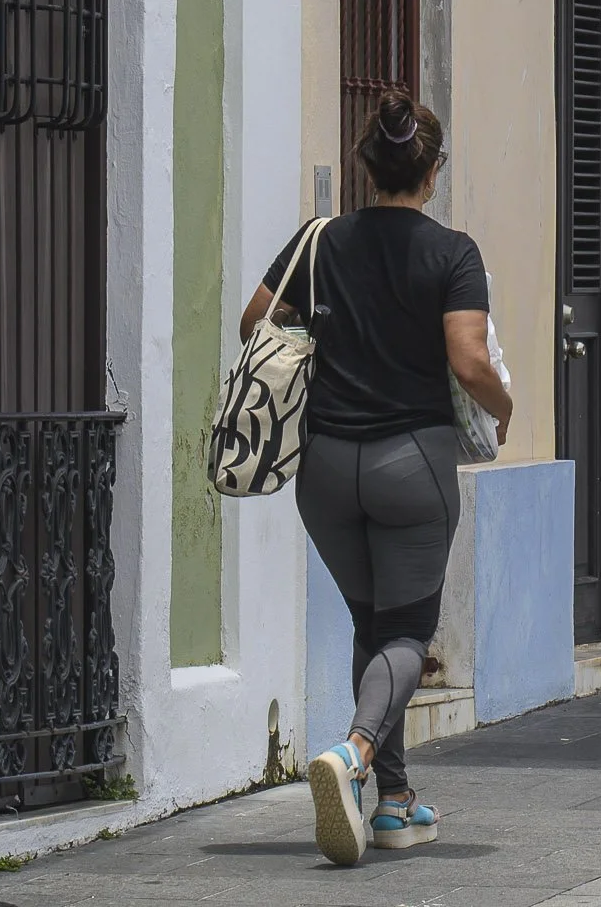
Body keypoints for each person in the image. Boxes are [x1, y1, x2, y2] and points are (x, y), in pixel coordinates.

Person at [239, 91, 513, 867]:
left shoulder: (320, 243)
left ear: (367, 165)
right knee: (407, 633)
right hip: (411, 466)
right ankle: (354, 752)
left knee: (371, 625)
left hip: (324, 468)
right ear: (432, 172)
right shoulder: (451, 253)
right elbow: (467, 359)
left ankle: (393, 802)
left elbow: (253, 323)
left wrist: (332, 341)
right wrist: (506, 401)